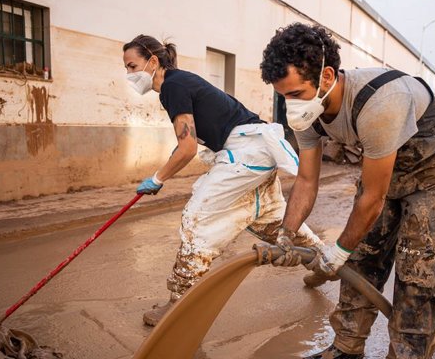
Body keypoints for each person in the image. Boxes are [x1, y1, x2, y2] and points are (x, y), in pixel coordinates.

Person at [260, 23, 435, 359]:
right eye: (283, 96)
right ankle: (347, 346)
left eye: (296, 94)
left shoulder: (379, 103)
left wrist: (336, 250)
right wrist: (286, 235)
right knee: (363, 259)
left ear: (327, 77)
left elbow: (372, 198)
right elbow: (306, 180)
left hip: (432, 171)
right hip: (383, 166)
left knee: (413, 268)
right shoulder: (310, 112)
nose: (291, 105)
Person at [122, 34, 321, 326]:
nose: (129, 74)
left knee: (198, 218)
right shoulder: (179, 82)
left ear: (152, 61)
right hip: (255, 150)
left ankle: (178, 302)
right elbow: (186, 143)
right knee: (268, 218)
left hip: (246, 152)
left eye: (131, 66)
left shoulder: (172, 86)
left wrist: (157, 178)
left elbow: (187, 148)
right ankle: (323, 261)